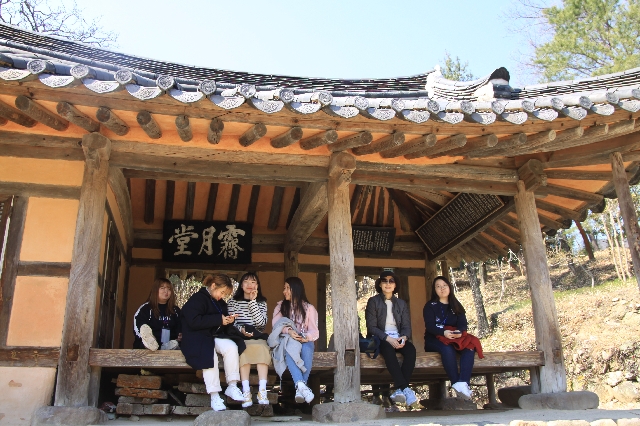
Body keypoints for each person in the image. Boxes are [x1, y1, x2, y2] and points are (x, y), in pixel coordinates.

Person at [180, 273, 246, 411]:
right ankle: (214, 395)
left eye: (224, 294)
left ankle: (232, 385)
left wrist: (228, 321)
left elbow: (221, 321)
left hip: (213, 336)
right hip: (196, 337)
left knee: (231, 347)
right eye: (222, 292)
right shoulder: (197, 299)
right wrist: (218, 319)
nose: (222, 296)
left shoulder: (219, 302)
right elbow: (193, 321)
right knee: (209, 354)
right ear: (213, 286)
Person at [423, 275, 482, 400]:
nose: (442, 288)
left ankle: (463, 382)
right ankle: (455, 382)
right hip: (435, 338)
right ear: (434, 289)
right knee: (447, 349)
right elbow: (430, 326)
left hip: (454, 337)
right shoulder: (430, 306)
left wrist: (459, 332)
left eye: (444, 285)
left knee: (469, 347)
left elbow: (463, 324)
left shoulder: (456, 305)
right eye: (438, 286)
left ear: (449, 287)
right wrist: (443, 332)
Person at [365, 271, 418, 406]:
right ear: (380, 284)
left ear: (395, 285)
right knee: (388, 350)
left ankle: (400, 389)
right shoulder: (373, 301)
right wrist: (388, 338)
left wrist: (403, 338)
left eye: (391, 281)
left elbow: (406, 326)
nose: (388, 284)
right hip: (380, 338)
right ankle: (405, 388)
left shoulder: (401, 303)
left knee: (411, 351)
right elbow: (372, 327)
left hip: (398, 337)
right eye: (384, 281)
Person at [268, 277, 319, 404]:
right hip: (287, 340)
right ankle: (302, 386)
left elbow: (314, 331)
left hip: (304, 340)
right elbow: (276, 326)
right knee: (290, 347)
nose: (284, 291)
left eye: (287, 288)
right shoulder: (280, 307)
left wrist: (306, 337)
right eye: (284, 288)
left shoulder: (309, 309)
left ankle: (300, 388)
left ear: (295, 289)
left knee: (307, 349)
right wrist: (289, 331)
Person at [227, 272, 271, 407]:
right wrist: (241, 330)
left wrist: (253, 302)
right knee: (242, 348)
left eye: (253, 282)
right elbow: (231, 322)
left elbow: (261, 324)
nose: (249, 285)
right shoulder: (233, 302)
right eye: (246, 281)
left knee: (263, 348)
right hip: (239, 336)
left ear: (257, 285)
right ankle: (246, 391)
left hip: (257, 336)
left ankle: (262, 391)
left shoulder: (261, 303)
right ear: (241, 285)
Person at [133, 278, 181, 351]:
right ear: (155, 290)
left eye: (169, 289)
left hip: (170, 346)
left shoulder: (175, 310)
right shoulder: (146, 308)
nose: (166, 291)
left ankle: (167, 346)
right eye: (162, 288)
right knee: (144, 331)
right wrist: (147, 338)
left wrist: (180, 335)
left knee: (176, 344)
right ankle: (150, 343)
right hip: (148, 349)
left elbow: (180, 326)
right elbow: (137, 326)